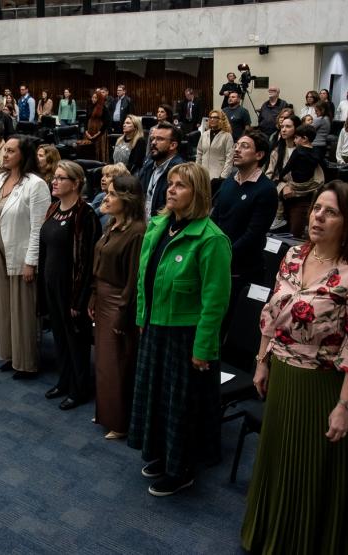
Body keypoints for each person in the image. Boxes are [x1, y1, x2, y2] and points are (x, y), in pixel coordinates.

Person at [242, 180, 348, 553]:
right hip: (284, 375)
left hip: (326, 387)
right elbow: (270, 314)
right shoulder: (293, 256)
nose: (318, 216)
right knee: (279, 461)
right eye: (317, 208)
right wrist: (261, 361)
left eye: (330, 211)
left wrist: (345, 406)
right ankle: (270, 533)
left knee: (311, 471)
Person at [129, 162, 231, 497]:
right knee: (158, 398)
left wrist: (203, 348)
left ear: (198, 193)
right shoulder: (159, 225)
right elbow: (146, 279)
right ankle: (162, 454)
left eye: (181, 185)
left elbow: (215, 303)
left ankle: (181, 469)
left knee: (181, 406)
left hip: (186, 337)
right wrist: (142, 317)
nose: (171, 189)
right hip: (156, 329)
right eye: (170, 183)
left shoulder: (211, 239)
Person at [0, 135, 50, 379]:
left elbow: (38, 227)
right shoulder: (1, 178)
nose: (5, 154)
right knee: (4, 307)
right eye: (6, 151)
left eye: (11, 151)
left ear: (24, 155)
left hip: (21, 255)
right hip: (0, 250)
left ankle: (26, 362)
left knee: (22, 310)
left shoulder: (36, 184)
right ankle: (11, 355)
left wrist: (30, 261)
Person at [38, 161, 101, 409]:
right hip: (51, 284)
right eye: (54, 177)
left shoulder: (85, 214)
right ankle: (64, 381)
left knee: (76, 342)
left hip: (72, 289)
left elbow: (87, 262)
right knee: (60, 338)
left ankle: (79, 388)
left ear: (75, 183)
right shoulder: (53, 208)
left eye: (61, 178)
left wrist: (79, 298)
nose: (54, 181)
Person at [88, 174, 146, 439]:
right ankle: (107, 413)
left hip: (119, 304)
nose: (106, 198)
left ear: (127, 198)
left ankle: (120, 422)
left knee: (118, 364)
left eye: (112, 194)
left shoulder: (137, 232)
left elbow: (133, 282)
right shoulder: (112, 224)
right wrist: (92, 297)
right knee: (104, 361)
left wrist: (124, 316)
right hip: (102, 297)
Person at [211, 130, 277, 296]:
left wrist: (224, 254)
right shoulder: (228, 183)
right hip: (218, 262)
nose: (237, 150)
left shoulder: (266, 189)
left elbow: (253, 234)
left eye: (245, 146)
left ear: (259, 155)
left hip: (244, 270)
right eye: (236, 145)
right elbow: (214, 219)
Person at [276, 124, 323, 239]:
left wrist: (280, 177)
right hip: (308, 187)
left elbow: (288, 166)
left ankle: (278, 216)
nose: (295, 140)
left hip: (296, 188)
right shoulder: (316, 152)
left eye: (297, 138)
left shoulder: (298, 151)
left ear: (305, 138)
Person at [138, 122, 185, 219]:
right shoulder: (147, 166)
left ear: (173, 145)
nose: (153, 142)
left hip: (162, 227)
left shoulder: (180, 172)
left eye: (159, 139)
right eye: (153, 139)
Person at [196, 110, 234, 187]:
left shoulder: (227, 136)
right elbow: (199, 153)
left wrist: (223, 176)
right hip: (203, 173)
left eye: (215, 117)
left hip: (218, 174)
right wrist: (197, 170)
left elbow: (230, 157)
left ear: (221, 120)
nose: (212, 119)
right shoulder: (204, 134)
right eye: (211, 117)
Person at [91, 163, 130, 229]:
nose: (102, 179)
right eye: (103, 175)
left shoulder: (119, 207)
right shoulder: (100, 196)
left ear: (119, 180)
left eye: (108, 176)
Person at [84, 92, 109, 163]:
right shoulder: (89, 107)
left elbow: (107, 122)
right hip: (89, 132)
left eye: (95, 98)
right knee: (89, 149)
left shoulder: (103, 108)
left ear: (99, 99)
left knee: (98, 149)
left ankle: (99, 164)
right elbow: (86, 120)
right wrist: (86, 132)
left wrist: (98, 133)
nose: (93, 99)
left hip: (100, 133)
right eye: (93, 97)